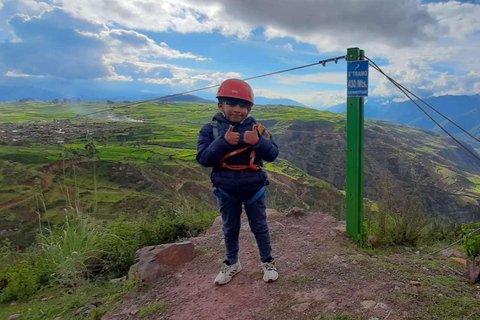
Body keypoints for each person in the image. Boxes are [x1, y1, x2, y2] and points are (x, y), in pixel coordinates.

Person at [196, 79, 279, 285]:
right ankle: (232, 262)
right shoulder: (211, 130)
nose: (237, 109)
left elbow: (273, 154)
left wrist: (258, 142)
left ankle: (267, 261)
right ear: (220, 105)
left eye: (242, 105)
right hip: (226, 189)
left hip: (254, 188)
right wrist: (223, 143)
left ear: (249, 109)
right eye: (231, 103)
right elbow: (204, 159)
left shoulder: (258, 129)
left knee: (259, 226)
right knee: (230, 227)